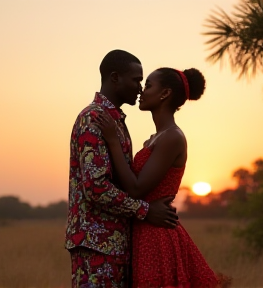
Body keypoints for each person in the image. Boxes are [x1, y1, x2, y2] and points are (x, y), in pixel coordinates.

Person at [95, 67, 232, 288]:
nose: (141, 90)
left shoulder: (172, 137)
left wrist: (112, 140)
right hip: (145, 229)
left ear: (165, 93)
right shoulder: (156, 138)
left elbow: (137, 189)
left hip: (156, 235)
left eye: (148, 85)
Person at [65, 50, 179, 288]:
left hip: (115, 245)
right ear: (115, 77)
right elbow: (96, 188)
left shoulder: (114, 121)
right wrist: (146, 211)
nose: (140, 88)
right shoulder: (93, 119)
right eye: (137, 80)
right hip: (96, 246)